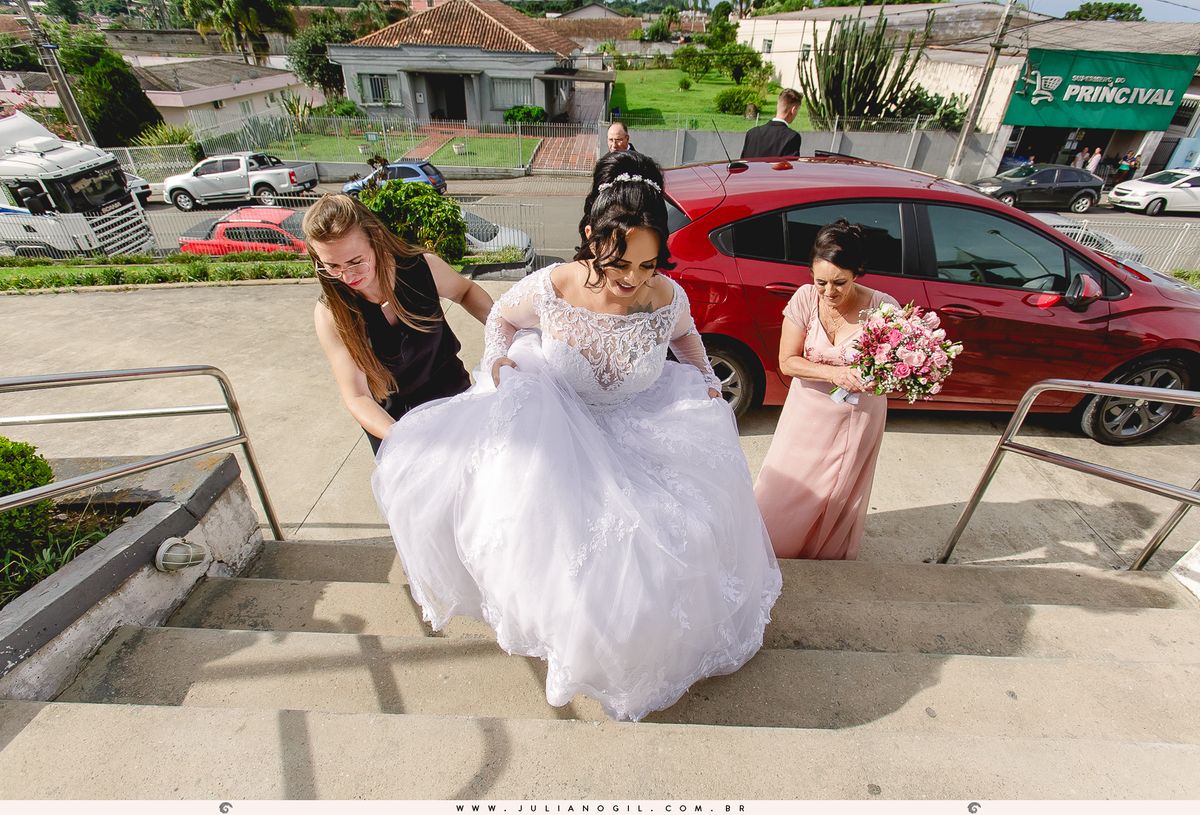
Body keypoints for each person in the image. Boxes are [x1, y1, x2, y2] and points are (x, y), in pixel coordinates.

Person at [370, 151, 782, 722]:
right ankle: (572, 646)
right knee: (567, 547)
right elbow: (501, 317)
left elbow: (686, 338)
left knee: (678, 539)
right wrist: (498, 357)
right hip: (560, 423)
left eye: (648, 264)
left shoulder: (666, 296)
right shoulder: (553, 286)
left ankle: (643, 649)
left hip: (640, 425)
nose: (633, 280)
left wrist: (708, 380)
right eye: (620, 263)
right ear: (592, 237)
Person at [754, 218, 900, 560]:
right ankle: (769, 549)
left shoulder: (884, 308)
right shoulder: (805, 298)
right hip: (805, 414)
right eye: (821, 282)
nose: (829, 291)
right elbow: (787, 362)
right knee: (786, 486)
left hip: (856, 416)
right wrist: (835, 374)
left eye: (839, 282)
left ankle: (823, 554)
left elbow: (891, 369)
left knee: (837, 488)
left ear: (858, 272)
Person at [304, 194, 494, 453]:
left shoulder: (422, 268)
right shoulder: (330, 314)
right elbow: (357, 396)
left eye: (355, 262)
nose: (346, 277)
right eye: (332, 266)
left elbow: (465, 291)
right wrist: (403, 439)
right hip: (394, 426)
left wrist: (502, 331)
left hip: (454, 400)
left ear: (377, 238)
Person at [740, 88, 803, 159]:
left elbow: (742, 163)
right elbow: (789, 165)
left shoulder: (752, 133)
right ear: (793, 110)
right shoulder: (792, 137)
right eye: (798, 109)